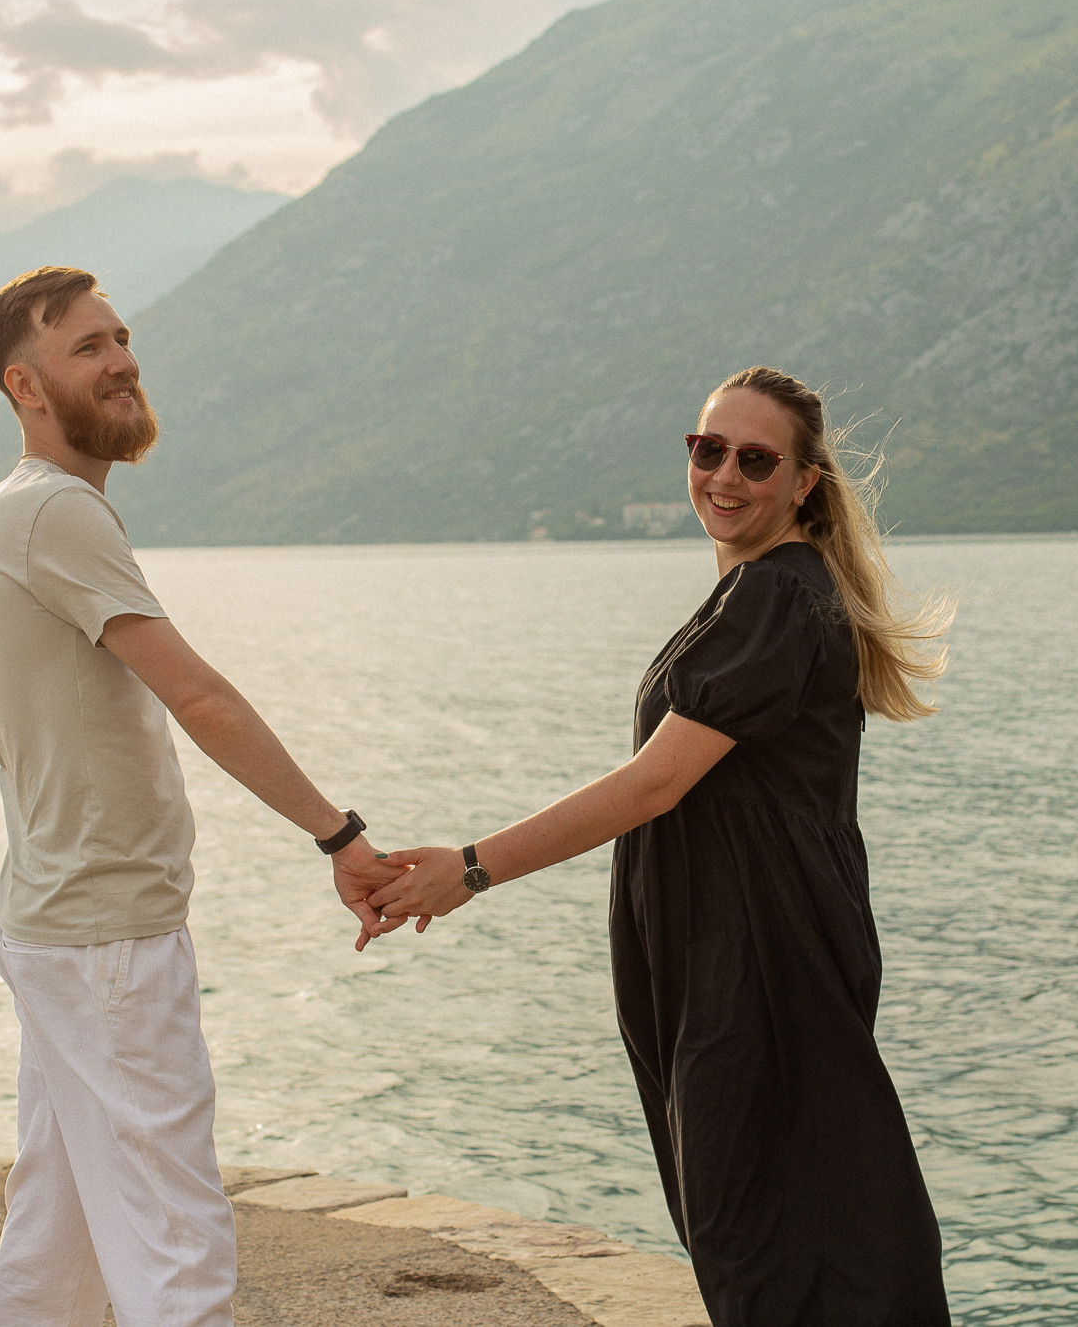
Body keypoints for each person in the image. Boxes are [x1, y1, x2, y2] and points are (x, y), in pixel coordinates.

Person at [371, 365, 955, 1327]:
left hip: (759, 965)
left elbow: (655, 780)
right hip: (732, 957)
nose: (724, 474)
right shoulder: (764, 593)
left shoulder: (776, 597)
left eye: (755, 458)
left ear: (804, 481)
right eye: (706, 448)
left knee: (768, 1236)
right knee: (782, 1223)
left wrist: (470, 869)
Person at [0, 266, 401, 1327]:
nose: (121, 357)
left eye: (121, 336)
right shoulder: (56, 515)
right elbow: (199, 694)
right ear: (26, 387)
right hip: (108, 944)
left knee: (62, 1239)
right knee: (178, 1247)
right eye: (87, 347)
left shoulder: (8, 518)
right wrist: (338, 834)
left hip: (54, 933)